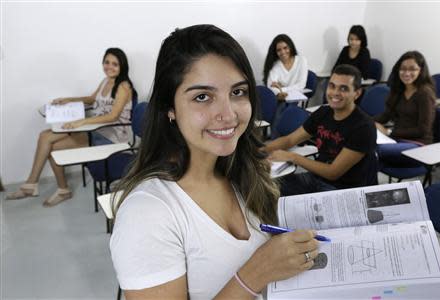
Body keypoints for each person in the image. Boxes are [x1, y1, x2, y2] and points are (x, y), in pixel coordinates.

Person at [110, 24, 319, 299]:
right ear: (170, 109)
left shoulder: (240, 172)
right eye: (202, 97)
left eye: (237, 92)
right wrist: (255, 273)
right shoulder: (148, 213)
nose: (228, 114)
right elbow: (258, 273)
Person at [6, 48, 137, 207]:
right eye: (107, 62)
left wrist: (81, 122)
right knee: (45, 136)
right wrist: (68, 100)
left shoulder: (123, 86)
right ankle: (33, 185)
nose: (109, 67)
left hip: (111, 138)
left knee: (51, 146)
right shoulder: (106, 81)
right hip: (95, 131)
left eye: (115, 64)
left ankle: (53, 188)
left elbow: (113, 116)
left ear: (122, 66)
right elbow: (91, 99)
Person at [263, 64, 378, 196]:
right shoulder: (323, 112)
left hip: (343, 191)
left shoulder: (364, 126)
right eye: (332, 86)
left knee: (292, 208)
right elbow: (290, 140)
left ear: (357, 93)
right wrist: (259, 151)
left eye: (344, 88)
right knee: (265, 189)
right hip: (316, 179)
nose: (335, 93)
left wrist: (292, 157)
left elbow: (333, 172)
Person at [374, 51, 436, 167]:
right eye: (403, 69)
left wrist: (389, 132)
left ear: (421, 71)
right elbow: (386, 115)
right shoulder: (399, 90)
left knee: (373, 150)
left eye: (412, 69)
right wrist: (366, 121)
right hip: (396, 140)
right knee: (363, 144)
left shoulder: (425, 94)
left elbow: (423, 129)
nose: (407, 73)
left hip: (419, 145)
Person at [263, 34, 308, 138]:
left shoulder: (301, 60)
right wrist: (279, 92)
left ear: (290, 47)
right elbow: (271, 87)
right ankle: (280, 138)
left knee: (283, 108)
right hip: (280, 97)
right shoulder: (276, 65)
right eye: (279, 50)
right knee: (279, 106)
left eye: (285, 48)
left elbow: (301, 85)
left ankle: (277, 138)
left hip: (296, 96)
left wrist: (281, 88)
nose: (283, 52)